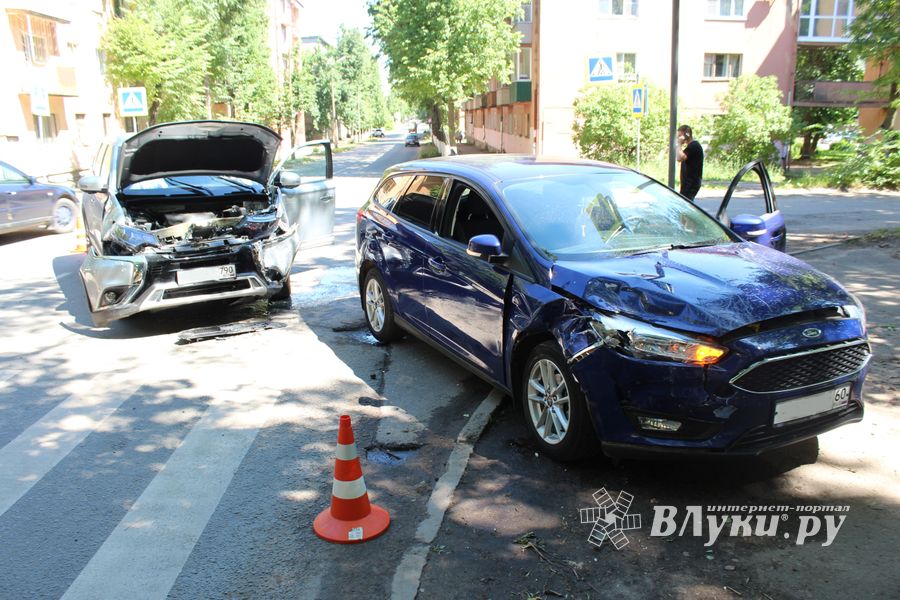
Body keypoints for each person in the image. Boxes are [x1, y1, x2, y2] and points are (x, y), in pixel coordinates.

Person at [675, 125, 704, 200]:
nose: (679, 138)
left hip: (690, 184)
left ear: (687, 134)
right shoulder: (691, 146)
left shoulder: (694, 146)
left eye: (680, 135)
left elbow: (679, 157)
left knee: (686, 206)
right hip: (688, 184)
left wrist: (679, 144)